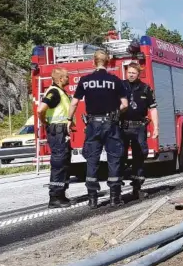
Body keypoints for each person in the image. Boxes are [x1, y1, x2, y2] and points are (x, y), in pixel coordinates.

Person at [68, 50, 129, 209]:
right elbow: (125, 104)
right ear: (108, 63)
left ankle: (92, 200)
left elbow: (74, 103)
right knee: (114, 159)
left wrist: (69, 120)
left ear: (93, 62)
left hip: (93, 125)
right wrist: (116, 112)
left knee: (92, 160)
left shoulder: (85, 80)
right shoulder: (115, 81)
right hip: (111, 124)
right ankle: (115, 198)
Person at [120, 62, 159, 200]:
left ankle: (137, 187)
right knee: (119, 156)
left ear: (138, 74)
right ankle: (117, 189)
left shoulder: (145, 89)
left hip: (139, 127)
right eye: (129, 72)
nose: (130, 75)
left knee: (141, 154)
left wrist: (156, 127)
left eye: (133, 73)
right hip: (123, 127)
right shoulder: (120, 86)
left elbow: (153, 109)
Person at [37, 67, 73, 209]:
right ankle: (55, 197)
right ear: (59, 79)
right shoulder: (54, 92)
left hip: (61, 131)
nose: (68, 79)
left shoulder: (61, 92)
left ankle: (61, 194)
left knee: (64, 163)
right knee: (59, 163)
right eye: (66, 77)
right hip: (57, 130)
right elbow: (41, 109)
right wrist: (43, 121)